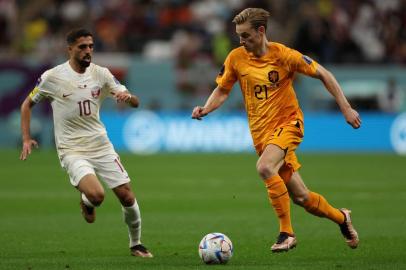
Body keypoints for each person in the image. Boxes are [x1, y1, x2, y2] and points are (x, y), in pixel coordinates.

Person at [192, 8, 361, 252]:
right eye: (239, 35)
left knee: (264, 167)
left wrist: (346, 108)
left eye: (246, 35)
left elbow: (324, 73)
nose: (241, 41)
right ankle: (342, 218)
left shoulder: (284, 56)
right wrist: (206, 108)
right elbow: (223, 89)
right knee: (302, 198)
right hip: (262, 136)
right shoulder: (236, 58)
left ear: (261, 32)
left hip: (289, 124)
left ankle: (286, 234)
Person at [20, 29, 153, 258]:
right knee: (98, 195)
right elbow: (27, 105)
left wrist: (127, 98)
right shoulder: (52, 77)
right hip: (72, 149)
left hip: (101, 145)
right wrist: (26, 138)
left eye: (91, 46)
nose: (88, 51)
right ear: (70, 49)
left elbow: (135, 102)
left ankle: (136, 244)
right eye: (82, 47)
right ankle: (87, 200)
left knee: (127, 196)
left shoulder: (101, 74)